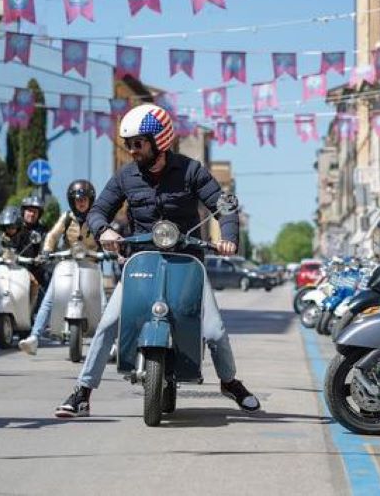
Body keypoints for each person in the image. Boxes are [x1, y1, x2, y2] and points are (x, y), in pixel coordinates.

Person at [54, 104, 260, 418]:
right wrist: (104, 229)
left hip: (187, 262)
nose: (132, 150)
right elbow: (98, 210)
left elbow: (225, 206)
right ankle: (82, 393)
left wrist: (229, 237)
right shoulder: (125, 176)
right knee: (108, 324)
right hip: (141, 261)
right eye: (129, 144)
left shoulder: (191, 171)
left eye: (138, 143)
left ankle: (230, 382)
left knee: (215, 331)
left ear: (159, 140)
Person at [19, 179, 98, 355]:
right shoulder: (67, 217)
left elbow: (105, 233)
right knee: (50, 297)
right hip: (67, 262)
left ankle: (111, 342)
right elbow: (52, 235)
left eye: (84, 199)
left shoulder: (97, 217)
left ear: (90, 200)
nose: (81, 203)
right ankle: (34, 337)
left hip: (91, 263)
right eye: (77, 200)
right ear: (72, 201)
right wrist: (47, 250)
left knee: (102, 298)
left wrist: (110, 250)